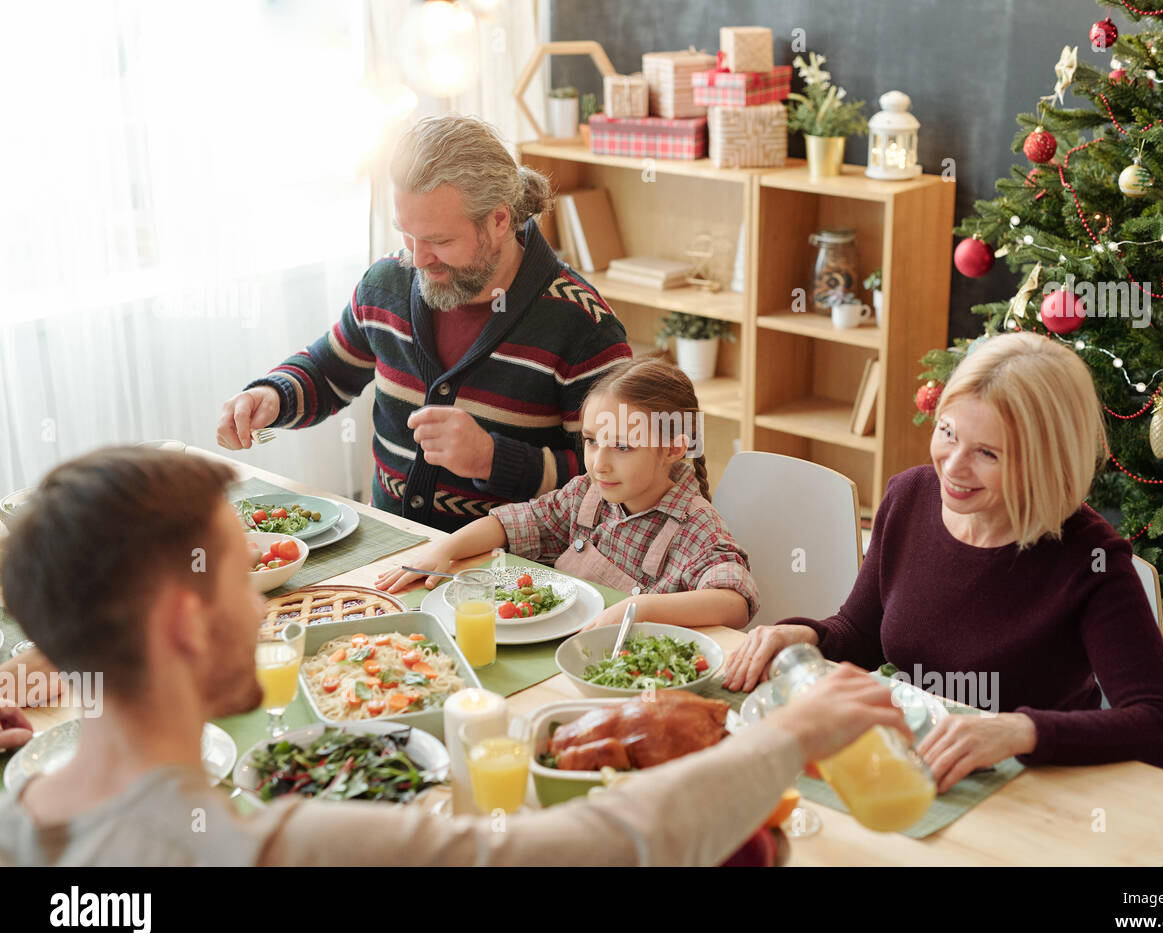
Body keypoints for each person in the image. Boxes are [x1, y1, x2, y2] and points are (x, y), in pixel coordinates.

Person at [0, 447, 911, 866]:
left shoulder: (24, 807)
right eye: (244, 578)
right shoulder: (278, 849)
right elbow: (600, 846)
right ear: (180, 627)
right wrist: (787, 737)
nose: (265, 604)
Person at [723, 331, 1163, 792]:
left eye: (986, 453)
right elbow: (863, 634)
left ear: (1045, 461)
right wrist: (802, 636)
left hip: (1033, 790)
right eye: (948, 432)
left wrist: (1016, 731)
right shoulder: (909, 496)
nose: (952, 466)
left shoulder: (1091, 559)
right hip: (922, 768)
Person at [216, 114, 632, 532]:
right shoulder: (387, 283)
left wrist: (492, 458)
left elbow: (618, 479)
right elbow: (329, 371)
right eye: (407, 234)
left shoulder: (583, 325)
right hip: (386, 552)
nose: (417, 259)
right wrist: (275, 393)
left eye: (439, 240)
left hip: (513, 578)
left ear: (499, 220)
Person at [376, 358, 759, 631]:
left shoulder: (695, 525)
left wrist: (639, 609)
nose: (600, 464)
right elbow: (514, 523)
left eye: (623, 447)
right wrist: (445, 549)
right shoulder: (587, 496)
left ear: (674, 449)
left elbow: (735, 602)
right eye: (592, 442)